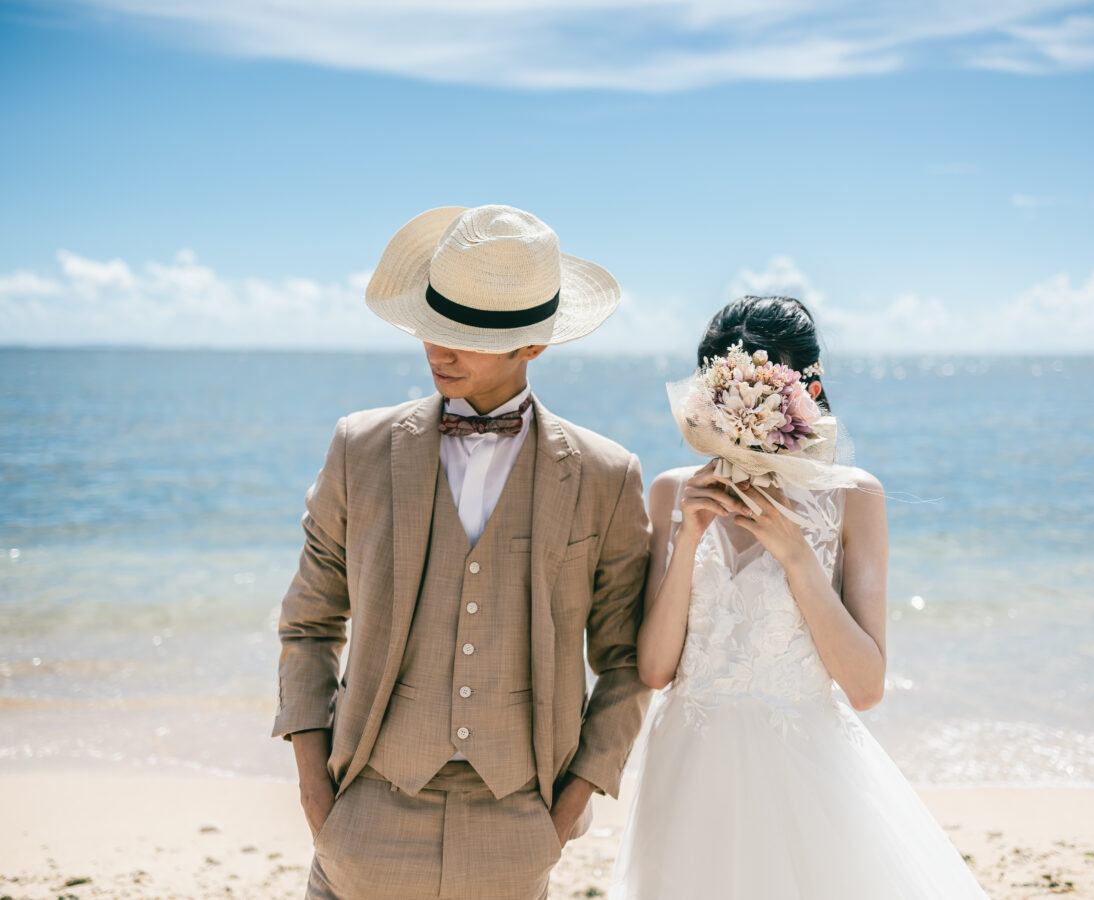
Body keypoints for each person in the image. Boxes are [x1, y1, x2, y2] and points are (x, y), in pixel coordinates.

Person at [272, 205, 653, 900]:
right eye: (434, 326)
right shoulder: (360, 447)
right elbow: (308, 624)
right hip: (366, 806)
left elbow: (625, 660)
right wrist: (314, 794)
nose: (438, 351)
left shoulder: (606, 475)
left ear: (532, 345)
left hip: (520, 820)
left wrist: (568, 807)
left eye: (468, 338)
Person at [610, 296, 989, 898]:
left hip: (804, 773)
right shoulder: (672, 492)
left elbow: (865, 687)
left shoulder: (854, 497)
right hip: (687, 768)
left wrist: (797, 557)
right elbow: (655, 671)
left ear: (805, 393)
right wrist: (687, 542)